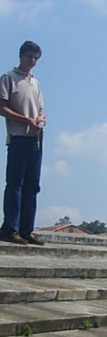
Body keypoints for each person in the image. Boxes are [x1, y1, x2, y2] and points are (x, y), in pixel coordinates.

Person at [1, 41, 45, 246]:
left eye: (36, 58)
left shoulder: (35, 83)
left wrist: (40, 119)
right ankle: (10, 228)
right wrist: (24, 119)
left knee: (32, 186)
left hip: (35, 138)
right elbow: (2, 108)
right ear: (21, 55)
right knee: (15, 184)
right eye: (30, 57)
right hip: (18, 136)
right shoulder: (9, 78)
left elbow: (41, 109)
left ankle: (27, 230)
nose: (33, 61)